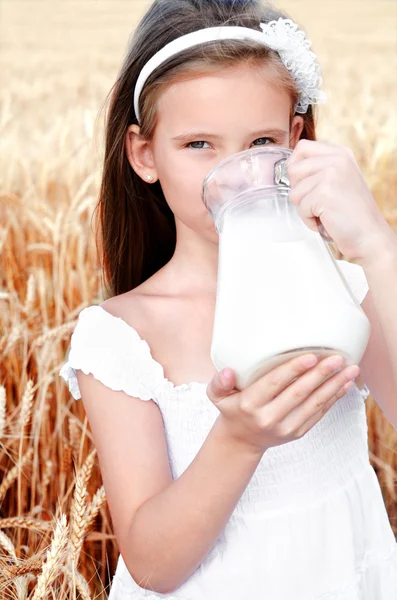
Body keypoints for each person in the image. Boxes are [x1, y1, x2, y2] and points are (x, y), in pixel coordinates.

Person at [59, 1, 397, 598]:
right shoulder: (122, 335)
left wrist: (375, 243)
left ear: (296, 140)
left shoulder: (342, 286)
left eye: (261, 140)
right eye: (198, 145)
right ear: (144, 154)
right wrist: (239, 439)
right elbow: (153, 565)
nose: (237, 171)